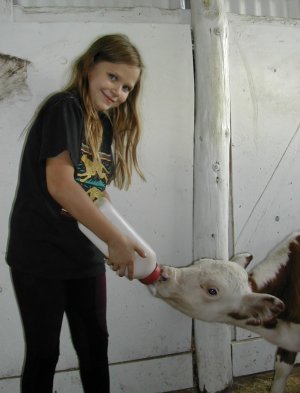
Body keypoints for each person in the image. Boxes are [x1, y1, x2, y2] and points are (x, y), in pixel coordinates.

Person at [6, 34, 146, 393]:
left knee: (95, 346)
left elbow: (94, 194)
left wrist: (128, 241)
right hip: (41, 254)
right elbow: (62, 186)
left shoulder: (105, 125)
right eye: (112, 77)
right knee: (44, 354)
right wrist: (113, 239)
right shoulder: (63, 108)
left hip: (83, 253)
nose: (118, 91)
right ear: (90, 66)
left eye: (127, 87)